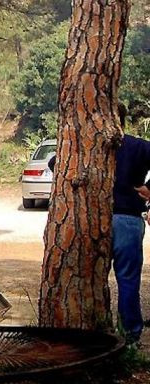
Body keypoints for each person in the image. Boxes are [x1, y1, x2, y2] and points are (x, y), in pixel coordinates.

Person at [49, 105, 150, 343]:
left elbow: (55, 162)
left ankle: (88, 333)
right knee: (127, 280)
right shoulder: (137, 146)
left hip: (92, 219)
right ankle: (130, 336)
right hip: (128, 221)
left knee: (86, 277)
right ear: (123, 121)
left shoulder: (87, 147)